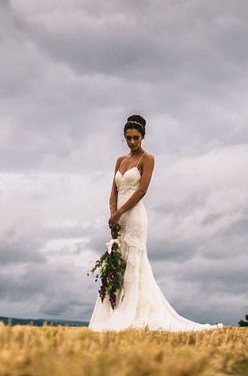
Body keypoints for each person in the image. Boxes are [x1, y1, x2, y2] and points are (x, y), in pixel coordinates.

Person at [88, 114, 224, 331]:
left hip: (133, 217)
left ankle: (135, 312)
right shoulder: (119, 161)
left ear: (143, 137)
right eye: (128, 138)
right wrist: (112, 213)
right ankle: (114, 310)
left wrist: (121, 212)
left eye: (136, 138)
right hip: (118, 217)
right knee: (118, 261)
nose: (132, 142)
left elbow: (142, 190)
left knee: (134, 261)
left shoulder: (147, 159)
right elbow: (113, 189)